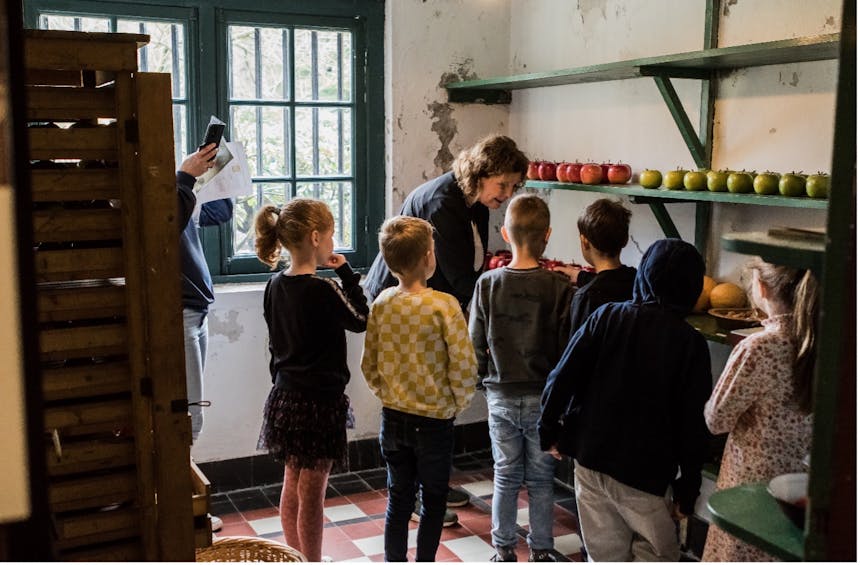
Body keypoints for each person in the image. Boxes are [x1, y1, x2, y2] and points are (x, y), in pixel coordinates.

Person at [364, 133, 529, 522]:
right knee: (420, 401)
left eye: (513, 186)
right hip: (405, 303)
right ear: (481, 173)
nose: (506, 194)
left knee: (432, 402)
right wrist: (504, 307)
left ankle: (432, 483)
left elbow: (472, 265)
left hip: (431, 303)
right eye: (502, 184)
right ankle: (421, 495)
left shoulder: (473, 199)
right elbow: (459, 278)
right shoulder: (444, 204)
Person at [539, 239, 712, 562]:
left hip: (589, 460)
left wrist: (548, 431)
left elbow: (561, 377)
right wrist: (688, 491)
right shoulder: (690, 345)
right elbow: (693, 426)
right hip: (645, 474)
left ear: (643, 275)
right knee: (656, 553)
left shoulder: (606, 316)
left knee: (603, 554)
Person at [254, 199, 369, 562]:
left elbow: (275, 344)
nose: (334, 244)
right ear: (316, 237)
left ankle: (293, 557)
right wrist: (348, 273)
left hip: (285, 398)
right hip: (320, 403)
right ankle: (313, 561)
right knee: (313, 495)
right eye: (332, 235)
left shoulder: (275, 285)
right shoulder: (323, 289)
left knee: (292, 483)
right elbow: (361, 319)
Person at [361, 215, 478, 562]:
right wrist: (458, 403)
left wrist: (387, 395)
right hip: (435, 421)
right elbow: (463, 363)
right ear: (429, 256)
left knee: (398, 498)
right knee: (434, 499)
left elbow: (370, 363)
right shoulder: (444, 305)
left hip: (393, 419)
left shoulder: (382, 303)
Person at [468, 194, 573, 562]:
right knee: (542, 480)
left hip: (501, 396)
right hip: (544, 400)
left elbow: (474, 343)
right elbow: (565, 353)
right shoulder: (560, 288)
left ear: (504, 233)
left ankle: (503, 549)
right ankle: (543, 549)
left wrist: (484, 382)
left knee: (506, 476)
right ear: (548, 235)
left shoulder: (487, 284)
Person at [702, 260, 818, 562]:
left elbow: (716, 420)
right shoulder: (822, 342)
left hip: (751, 487)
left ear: (762, 288)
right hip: (802, 487)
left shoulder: (760, 347)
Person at [176, 143, 231, 531]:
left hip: (198, 311)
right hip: (178, 314)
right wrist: (184, 177)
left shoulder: (178, 192)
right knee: (188, 419)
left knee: (193, 417)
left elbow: (220, 213)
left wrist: (224, 175)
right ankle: (185, 512)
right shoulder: (159, 195)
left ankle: (185, 508)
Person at [554, 198, 636, 333]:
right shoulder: (636, 281)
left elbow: (577, 349)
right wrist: (580, 276)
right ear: (625, 239)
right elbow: (611, 282)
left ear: (584, 242)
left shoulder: (586, 298)